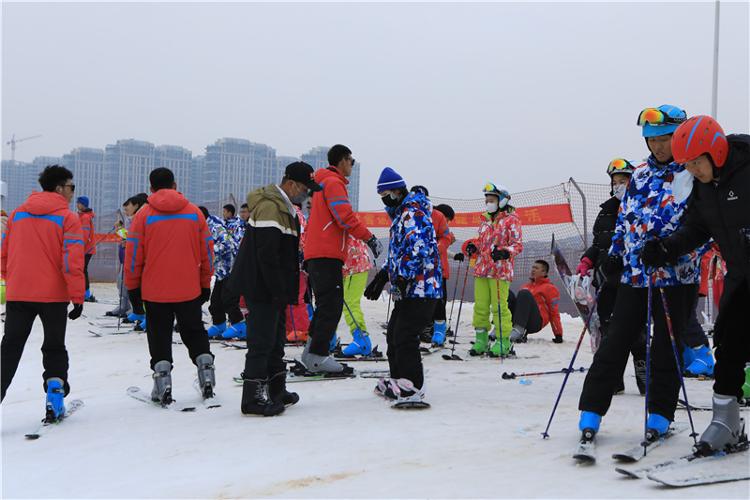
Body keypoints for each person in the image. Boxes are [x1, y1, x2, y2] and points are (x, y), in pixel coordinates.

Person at [576, 104, 704, 445]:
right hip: (635, 275)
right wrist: (615, 255)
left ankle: (660, 415)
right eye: (651, 140)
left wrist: (672, 250)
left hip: (676, 278)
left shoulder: (693, 172)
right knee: (616, 340)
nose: (657, 146)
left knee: (665, 347)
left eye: (664, 139)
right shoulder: (641, 174)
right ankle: (591, 411)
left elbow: (706, 231)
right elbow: (624, 221)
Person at [640, 115, 749, 454]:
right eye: (687, 165)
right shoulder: (703, 186)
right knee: (729, 345)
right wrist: (667, 247)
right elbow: (697, 228)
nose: (694, 171)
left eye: (697, 162)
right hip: (742, 274)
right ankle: (726, 423)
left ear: (715, 152)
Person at [228, 162, 321, 416]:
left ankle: (276, 388)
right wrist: (278, 289)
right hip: (262, 287)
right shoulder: (271, 206)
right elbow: (267, 254)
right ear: (290, 183)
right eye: (304, 188)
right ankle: (252, 398)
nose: (306, 193)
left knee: (275, 340)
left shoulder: (284, 207)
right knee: (262, 341)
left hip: (274, 287)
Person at [124, 167, 216, 404]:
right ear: (175, 185)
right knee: (194, 330)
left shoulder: (143, 216)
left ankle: (162, 383)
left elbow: (133, 256)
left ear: (151, 188)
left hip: (155, 291)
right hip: (189, 288)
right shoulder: (194, 213)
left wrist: (133, 289)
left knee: (159, 333)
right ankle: (206, 372)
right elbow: (207, 252)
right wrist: (205, 282)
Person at [1, 165, 84, 421]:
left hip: (19, 294)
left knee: (10, 348)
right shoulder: (68, 218)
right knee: (54, 347)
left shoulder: (17, 215)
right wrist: (77, 297)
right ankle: (55, 396)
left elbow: (3, 253)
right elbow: (72, 263)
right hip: (53, 297)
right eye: (71, 187)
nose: (72, 192)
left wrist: (13, 279)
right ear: (59, 188)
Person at [364, 167, 442, 406]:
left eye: (386, 194)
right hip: (409, 288)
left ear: (397, 190)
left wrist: (404, 276)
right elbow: (399, 250)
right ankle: (399, 379)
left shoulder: (413, 212)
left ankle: (413, 386)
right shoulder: (401, 214)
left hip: (422, 287)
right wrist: (384, 276)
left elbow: (421, 248)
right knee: (395, 333)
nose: (384, 199)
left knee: (405, 335)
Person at [301, 144, 382, 373]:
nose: (352, 166)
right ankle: (317, 355)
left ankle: (310, 353)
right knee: (332, 306)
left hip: (318, 252)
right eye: (351, 161)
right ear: (342, 161)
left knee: (325, 304)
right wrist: (370, 238)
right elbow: (345, 217)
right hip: (326, 253)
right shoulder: (334, 183)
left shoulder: (320, 183)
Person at [575, 158, 647, 394]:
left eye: (623, 181)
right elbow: (599, 243)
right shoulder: (606, 211)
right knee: (609, 329)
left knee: (635, 329)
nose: (618, 186)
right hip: (606, 279)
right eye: (615, 182)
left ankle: (643, 369)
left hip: (632, 279)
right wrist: (588, 259)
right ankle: (613, 375)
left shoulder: (641, 207)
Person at [455, 183, 523, 357]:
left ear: (502, 201)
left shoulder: (511, 220)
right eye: (487, 200)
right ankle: (481, 340)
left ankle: (503, 341)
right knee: (481, 306)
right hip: (482, 269)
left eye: (492, 200)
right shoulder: (485, 220)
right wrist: (473, 247)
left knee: (500, 307)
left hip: (500, 270)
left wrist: (505, 252)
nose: (488, 203)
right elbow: (482, 241)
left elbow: (517, 245)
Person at [200, 206, 245, 340]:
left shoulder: (215, 227)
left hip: (229, 268)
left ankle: (240, 326)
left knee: (228, 299)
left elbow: (228, 245)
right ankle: (219, 325)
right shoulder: (202, 228)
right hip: (220, 270)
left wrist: (210, 250)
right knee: (215, 301)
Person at [106, 194, 148, 319]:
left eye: (127, 207)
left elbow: (131, 236)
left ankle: (138, 311)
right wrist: (120, 229)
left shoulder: (140, 218)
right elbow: (127, 236)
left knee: (131, 284)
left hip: (135, 258)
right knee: (122, 282)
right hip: (125, 256)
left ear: (136, 205)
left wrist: (120, 230)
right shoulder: (132, 219)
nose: (126, 211)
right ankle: (126, 306)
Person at [508, 260, 563, 343]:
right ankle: (500, 328)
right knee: (507, 293)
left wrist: (558, 334)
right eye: (533, 267)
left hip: (536, 322)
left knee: (524, 293)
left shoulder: (550, 288)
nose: (533, 270)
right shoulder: (526, 286)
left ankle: (519, 330)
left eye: (536, 268)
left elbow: (554, 312)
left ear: (544, 272)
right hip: (521, 318)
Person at [339, 234, 374, 356]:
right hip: (349, 263)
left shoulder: (337, 217)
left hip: (354, 264)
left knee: (350, 303)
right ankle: (329, 339)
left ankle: (362, 341)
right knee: (339, 303)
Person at [431, 203, 456, 346]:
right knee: (434, 301)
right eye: (448, 219)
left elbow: (443, 249)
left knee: (441, 301)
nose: (447, 223)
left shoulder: (444, 232)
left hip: (442, 271)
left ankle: (439, 329)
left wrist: (454, 254)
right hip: (432, 271)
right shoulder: (429, 225)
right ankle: (431, 328)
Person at [76, 196, 97, 303]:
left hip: (86, 249)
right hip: (84, 249)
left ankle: (87, 294)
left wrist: (79, 247)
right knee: (82, 270)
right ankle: (84, 292)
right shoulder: (82, 216)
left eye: (79, 203)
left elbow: (84, 235)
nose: (77, 204)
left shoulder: (85, 217)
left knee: (82, 270)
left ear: (83, 204)